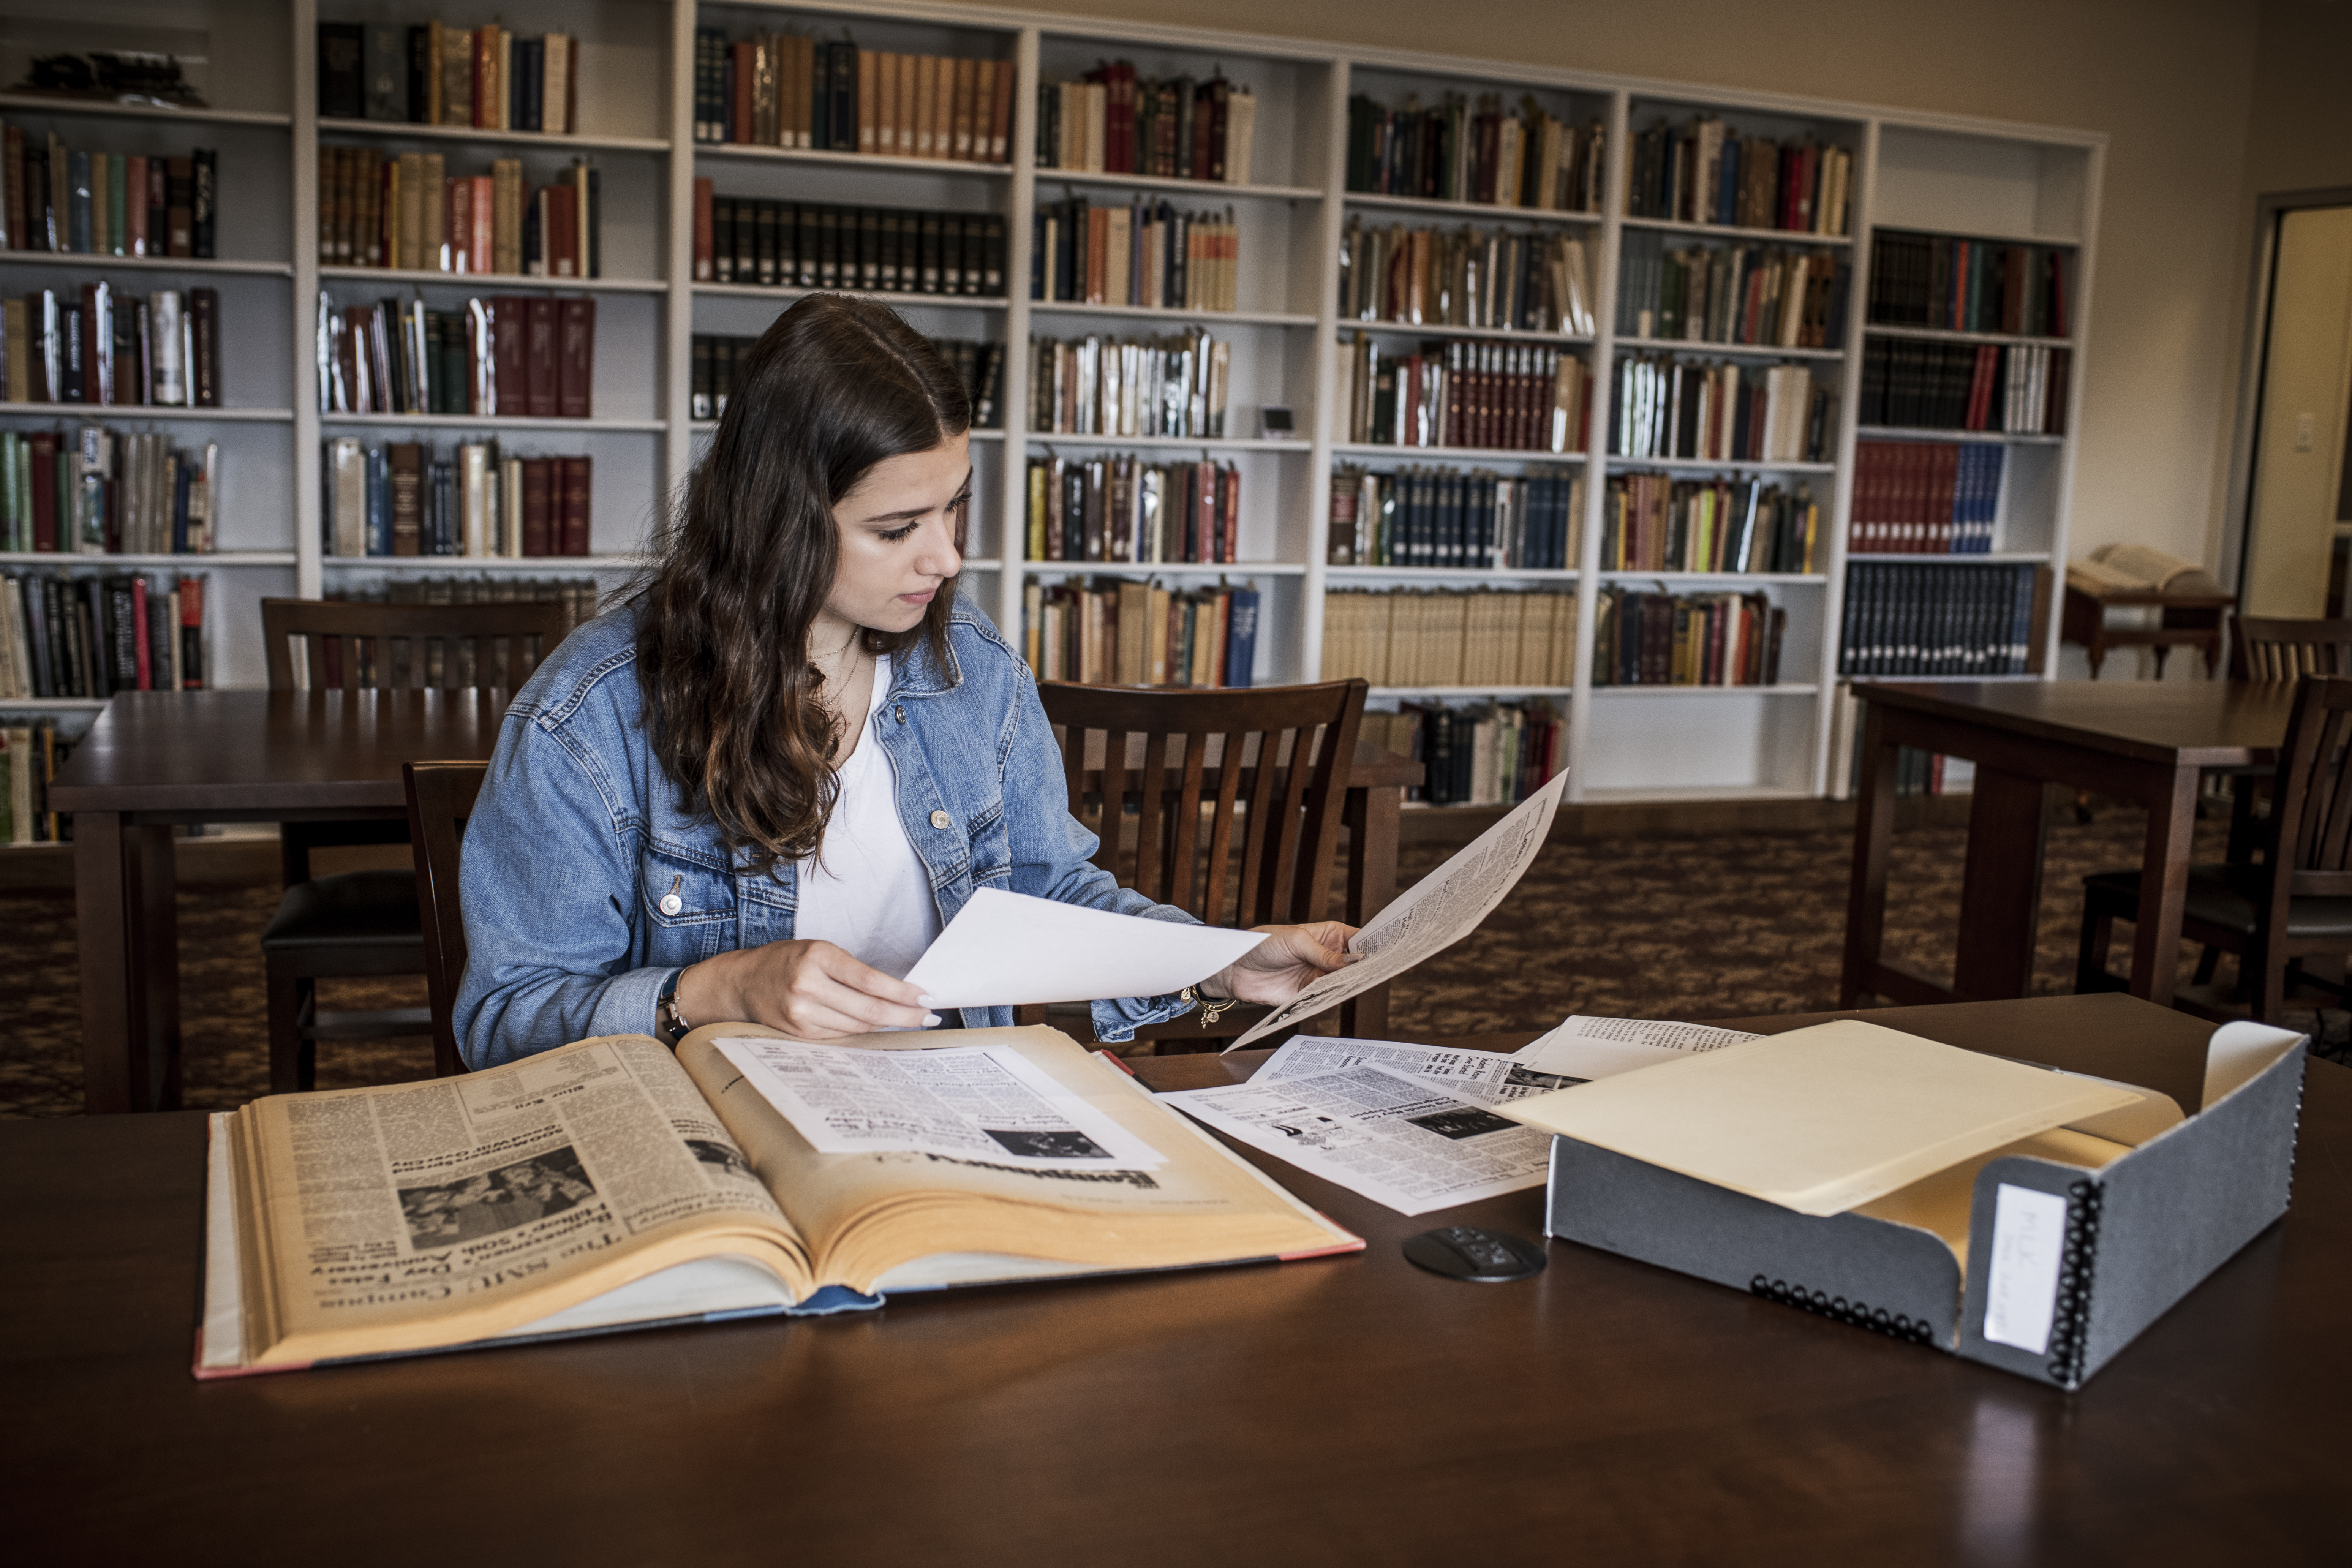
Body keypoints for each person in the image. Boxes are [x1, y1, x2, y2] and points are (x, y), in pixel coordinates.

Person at [453, 295, 1357, 1069]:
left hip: (947, 1113)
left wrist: (1216, 961)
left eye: (954, 506)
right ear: (780, 519)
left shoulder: (971, 664)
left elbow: (1049, 898)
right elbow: (501, 1021)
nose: (948, 556)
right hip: (714, 1145)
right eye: (897, 528)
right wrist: (712, 990)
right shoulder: (591, 711)